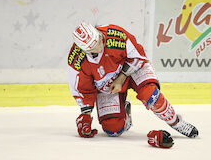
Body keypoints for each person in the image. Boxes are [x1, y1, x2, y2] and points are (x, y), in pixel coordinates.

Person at [67, 22, 198, 142]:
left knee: (151, 95)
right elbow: (83, 89)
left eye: (99, 41)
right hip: (108, 87)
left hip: (133, 70)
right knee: (113, 129)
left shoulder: (115, 35)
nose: (100, 46)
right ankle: (126, 114)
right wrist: (86, 116)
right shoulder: (77, 60)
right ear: (84, 50)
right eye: (94, 48)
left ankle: (176, 122)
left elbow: (137, 56)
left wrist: (121, 78)